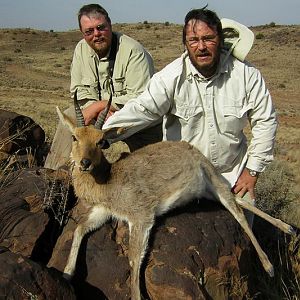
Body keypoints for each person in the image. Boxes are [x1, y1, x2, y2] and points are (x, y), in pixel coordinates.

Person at [102, 7, 278, 218]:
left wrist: (251, 172)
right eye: (193, 40)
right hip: (183, 176)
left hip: (232, 175)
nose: (201, 47)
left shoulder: (246, 75)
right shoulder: (171, 77)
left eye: (208, 38)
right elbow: (142, 109)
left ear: (220, 40)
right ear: (185, 44)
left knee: (245, 227)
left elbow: (265, 122)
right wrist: (102, 136)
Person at [45, 3, 162, 170]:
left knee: (151, 170)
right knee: (70, 116)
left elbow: (142, 99)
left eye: (101, 28)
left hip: (134, 120)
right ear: (83, 33)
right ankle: (54, 176)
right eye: (89, 31)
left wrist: (102, 106)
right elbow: (79, 92)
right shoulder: (80, 50)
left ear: (110, 25)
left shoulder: (134, 52)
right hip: (99, 118)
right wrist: (96, 110)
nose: (96, 34)